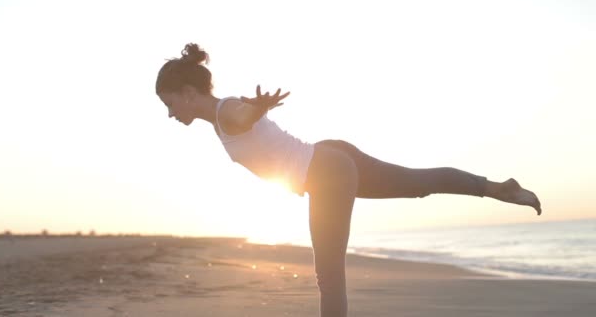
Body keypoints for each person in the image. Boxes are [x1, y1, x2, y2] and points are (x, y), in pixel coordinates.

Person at [155, 43, 542, 317]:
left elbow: (242, 116)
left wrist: (256, 110)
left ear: (188, 93)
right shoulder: (225, 114)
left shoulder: (227, 113)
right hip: (330, 157)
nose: (170, 114)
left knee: (329, 275)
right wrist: (255, 110)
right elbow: (244, 115)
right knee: (418, 183)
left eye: (170, 103)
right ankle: (495, 188)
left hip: (325, 172)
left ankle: (493, 188)